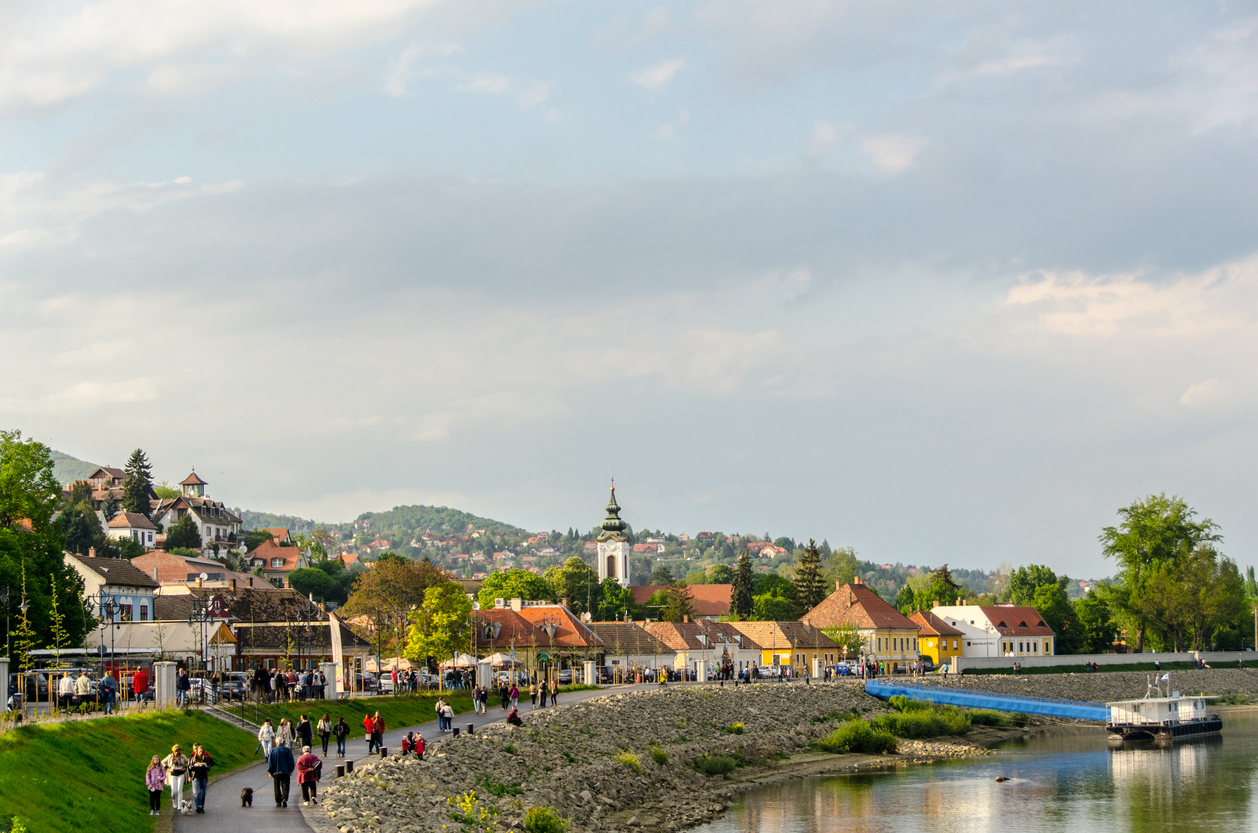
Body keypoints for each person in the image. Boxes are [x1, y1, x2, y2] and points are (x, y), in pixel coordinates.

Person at [267, 739, 296, 807]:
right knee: (285, 786)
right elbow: (291, 760)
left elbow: (270, 762)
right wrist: (291, 770)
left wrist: (270, 771)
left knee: (277, 786)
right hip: (285, 771)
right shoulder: (287, 750)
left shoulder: (273, 751)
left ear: (276, 743)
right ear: (282, 742)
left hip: (276, 772)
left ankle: (278, 801)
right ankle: (285, 798)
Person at [162, 744, 190, 813]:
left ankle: (179, 805)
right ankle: (174, 803)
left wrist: (185, 768)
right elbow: (162, 762)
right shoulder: (170, 756)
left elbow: (189, 762)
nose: (176, 752)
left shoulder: (182, 756)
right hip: (173, 775)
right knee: (173, 791)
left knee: (179, 790)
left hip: (181, 774)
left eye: (177, 751)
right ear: (173, 751)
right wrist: (167, 768)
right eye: (175, 751)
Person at [189, 743, 214, 814]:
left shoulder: (205, 759)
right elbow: (190, 767)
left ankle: (202, 806)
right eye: (199, 752)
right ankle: (198, 806)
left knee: (203, 792)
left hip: (204, 776)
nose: (201, 753)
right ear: (197, 752)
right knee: (197, 792)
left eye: (202, 752)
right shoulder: (193, 758)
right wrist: (195, 767)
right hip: (196, 775)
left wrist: (204, 766)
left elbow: (209, 766)